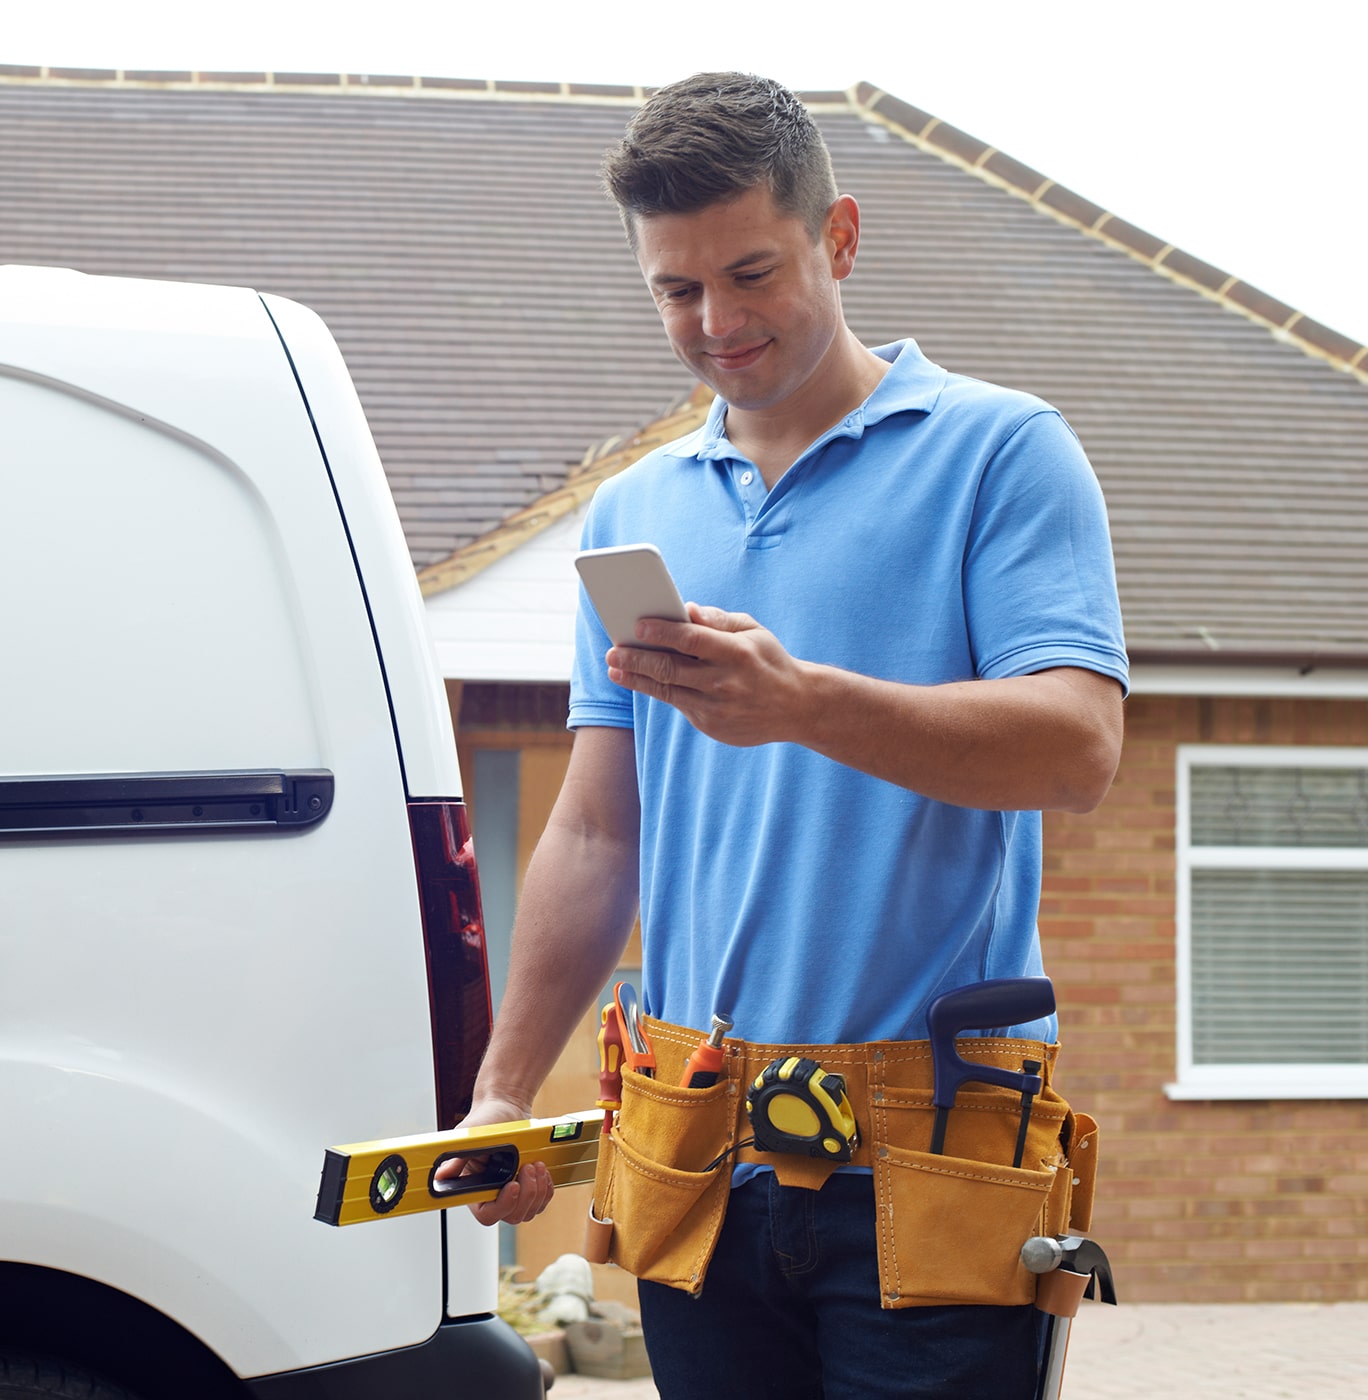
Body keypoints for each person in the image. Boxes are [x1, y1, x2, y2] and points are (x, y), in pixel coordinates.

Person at [458, 72, 1127, 1400]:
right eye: (676, 289)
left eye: (751, 272)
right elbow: (597, 833)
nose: (718, 321)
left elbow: (1077, 751)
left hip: (927, 1164)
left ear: (843, 237)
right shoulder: (634, 514)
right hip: (696, 1158)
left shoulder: (1000, 455)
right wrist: (502, 1087)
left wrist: (803, 703)